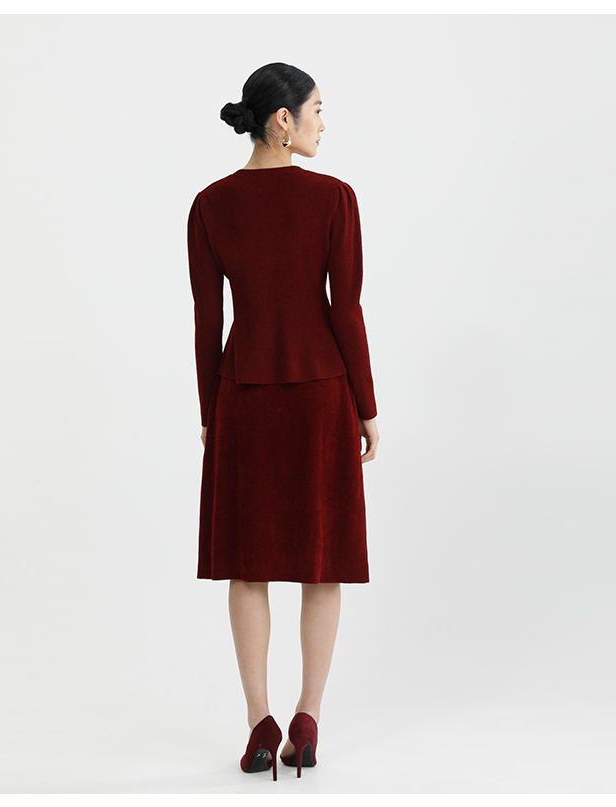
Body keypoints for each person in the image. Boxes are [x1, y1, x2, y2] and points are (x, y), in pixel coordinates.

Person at [187, 62, 380, 781]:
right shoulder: (334, 198)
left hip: (243, 394)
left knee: (250, 565)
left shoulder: (210, 205)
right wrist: (366, 406)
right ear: (283, 120)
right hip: (322, 394)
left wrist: (209, 412)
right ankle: (309, 716)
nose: (323, 123)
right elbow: (345, 310)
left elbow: (208, 320)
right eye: (317, 110)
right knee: (320, 561)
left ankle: (260, 722)